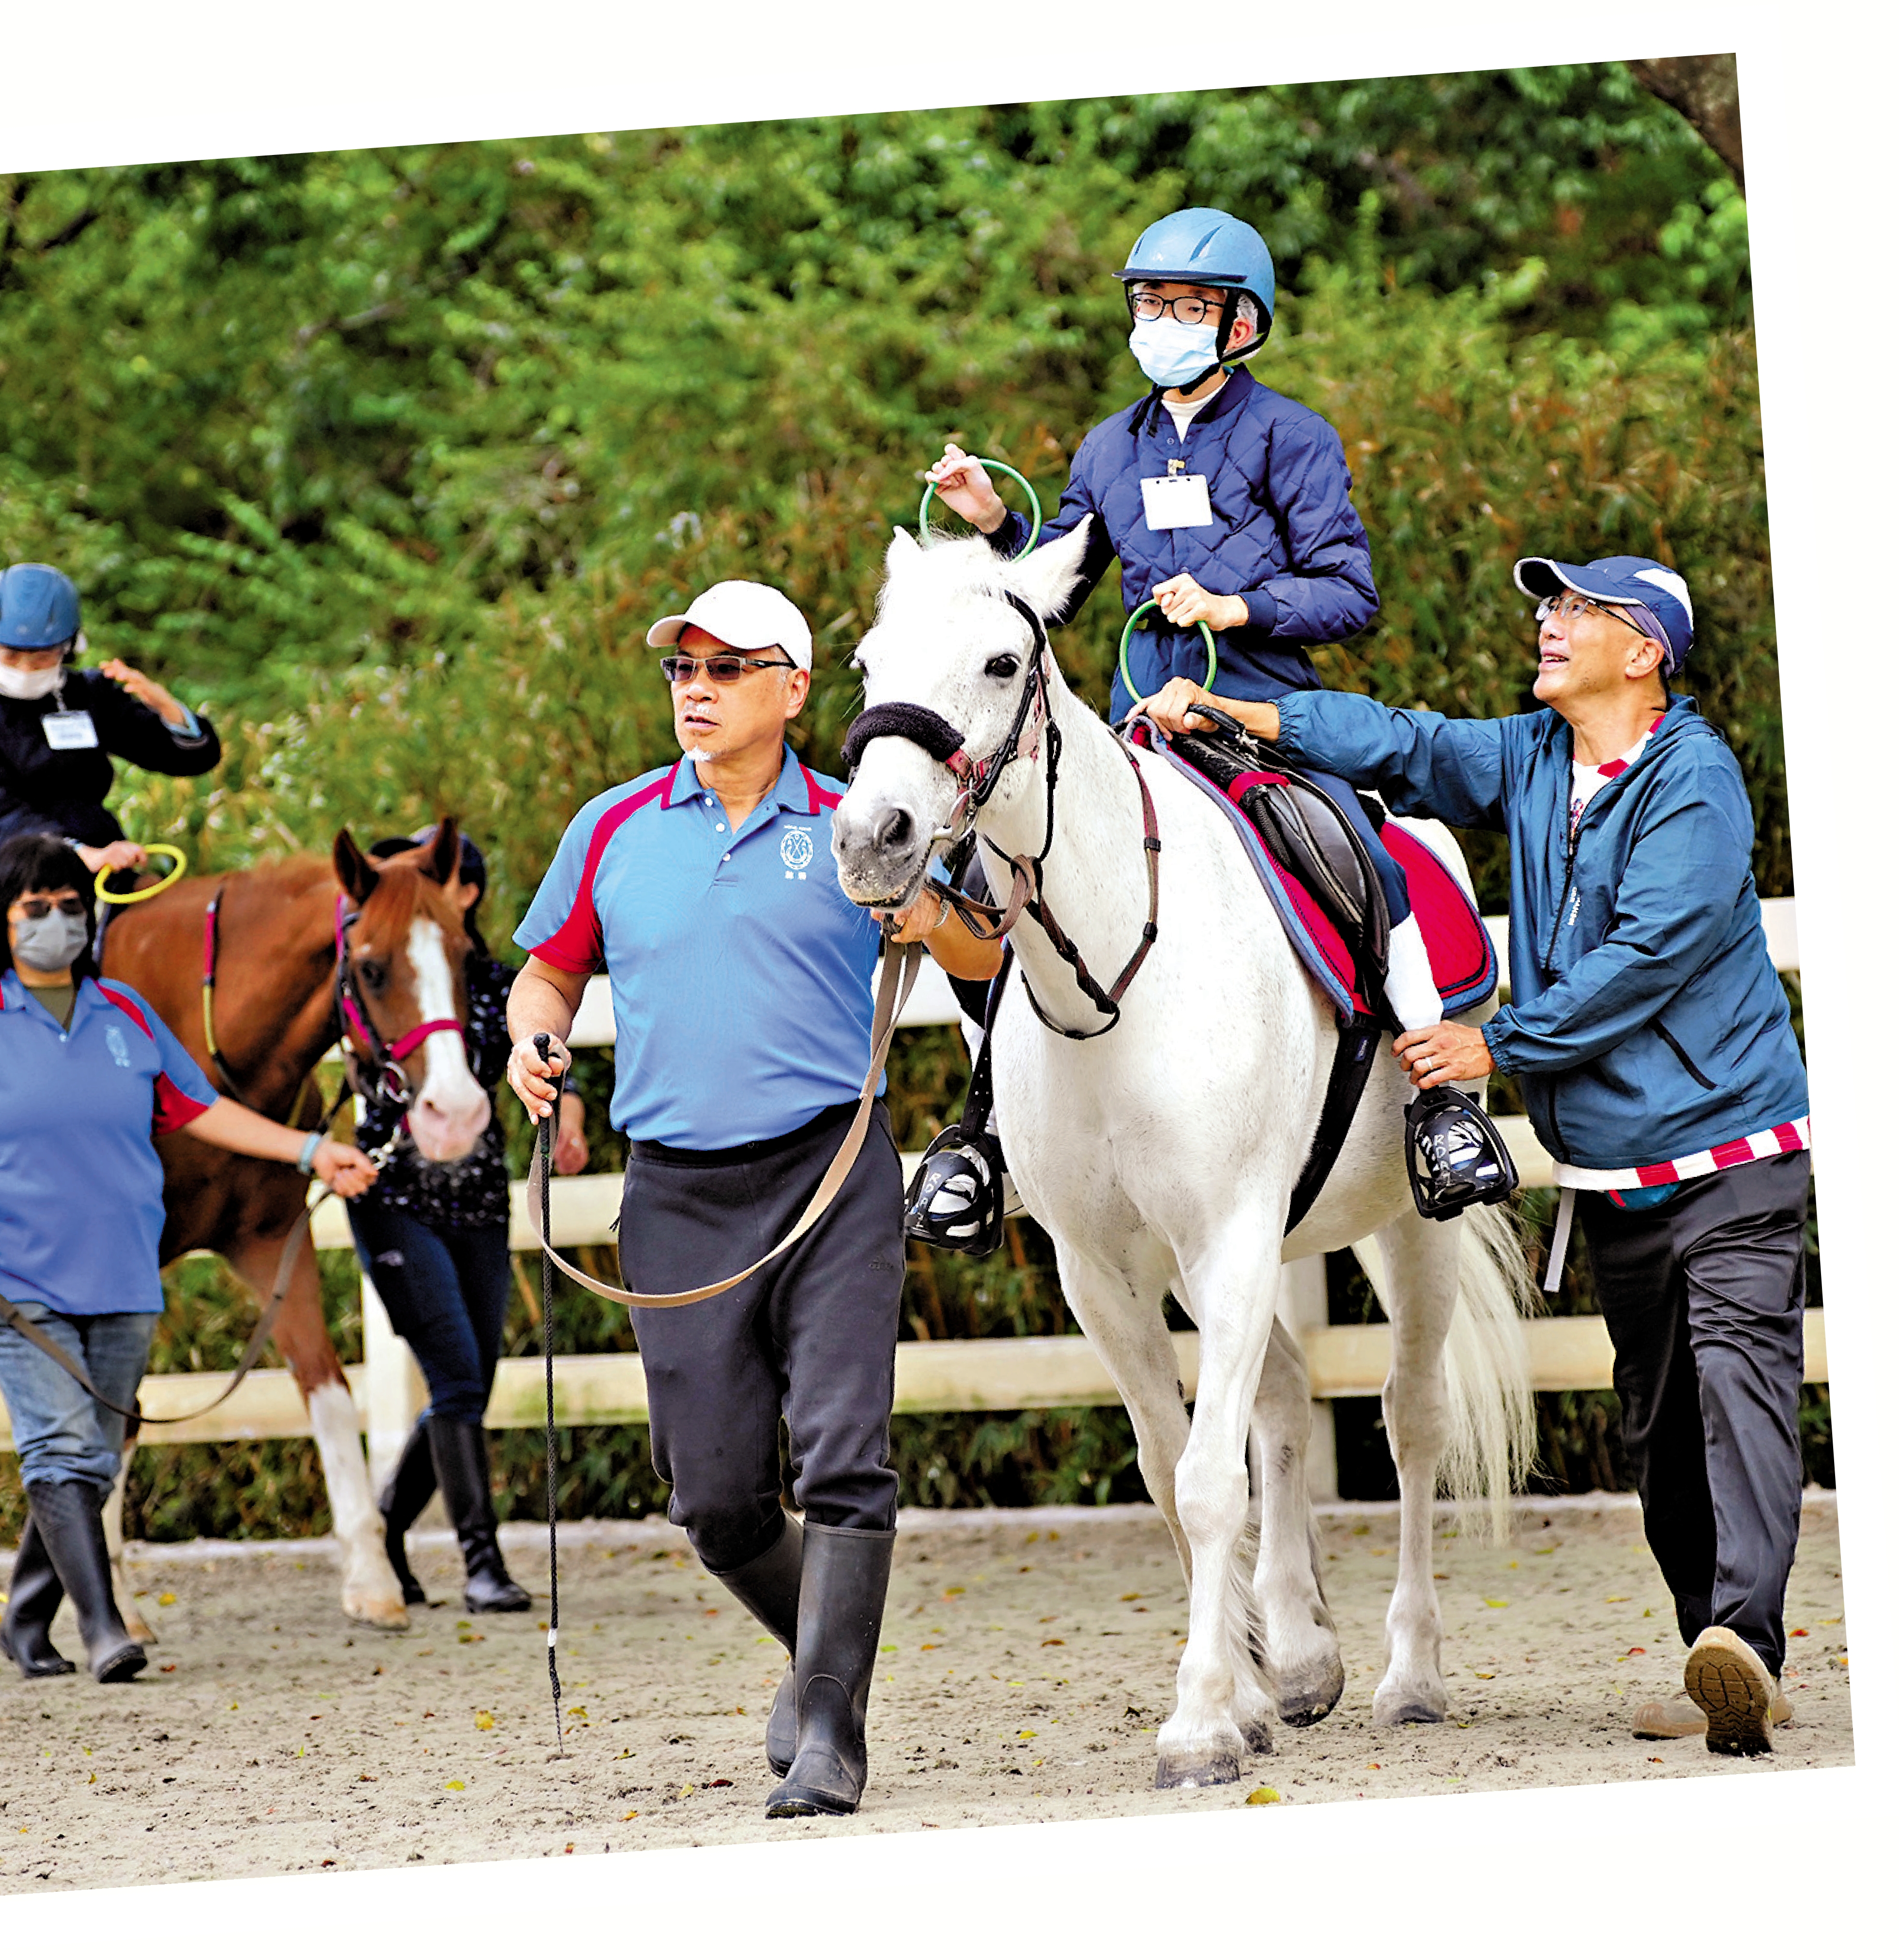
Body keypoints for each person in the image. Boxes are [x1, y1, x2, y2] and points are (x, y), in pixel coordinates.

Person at [1143, 552, 1813, 1758]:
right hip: (1613, 1173)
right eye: (1548, 607)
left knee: (1738, 1392)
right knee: (1659, 1426)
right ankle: (1713, 1655)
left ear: (1644, 652)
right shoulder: (1535, 758)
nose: (1548, 625)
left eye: (1575, 612)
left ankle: (1747, 1643)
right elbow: (1404, 741)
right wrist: (1245, 713)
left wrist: (1495, 1039)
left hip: (1732, 1155)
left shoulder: (1695, 780)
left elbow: (1653, 949)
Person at [505, 579, 1000, 1818]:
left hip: (829, 1176)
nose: (696, 687)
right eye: (684, 668)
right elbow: (546, 974)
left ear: (792, 690)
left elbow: (986, 954)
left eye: (729, 669)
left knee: (844, 1457)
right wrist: (534, 1042)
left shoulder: (856, 819)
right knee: (713, 1496)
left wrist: (920, 905)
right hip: (673, 1191)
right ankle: (820, 1656)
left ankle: (831, 1726)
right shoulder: (612, 827)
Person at [914, 205, 1508, 1230]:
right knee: (993, 877)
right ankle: (985, 1126)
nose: (1164, 322)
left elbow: (1349, 591)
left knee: (1360, 852)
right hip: (1137, 724)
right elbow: (1059, 580)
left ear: (1240, 324)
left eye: (1189, 306)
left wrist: (1239, 607)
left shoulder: (1292, 436)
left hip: (1261, 717)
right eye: (1151, 304)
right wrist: (994, 524)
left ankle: (1438, 1103)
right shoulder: (1107, 448)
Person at [0, 832, 379, 1683]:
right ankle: (104, 1623)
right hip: (16, 1272)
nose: (55, 924)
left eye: (71, 908)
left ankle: (25, 1615)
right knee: (60, 1451)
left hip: (121, 1272)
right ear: (2, 922)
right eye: (34, 909)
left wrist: (308, 1151)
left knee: (97, 1456)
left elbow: (200, 1110)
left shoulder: (124, 1014)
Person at [349, 828, 588, 1616]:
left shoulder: (491, 982)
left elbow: (538, 1048)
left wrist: (571, 1103)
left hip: (478, 1198)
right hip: (395, 1196)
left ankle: (381, 1529)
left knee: (471, 1381)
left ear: (466, 894)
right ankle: (481, 1562)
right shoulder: (378, 970)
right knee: (454, 1371)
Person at [0, 563, 221, 976]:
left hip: (107, 857)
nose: (26, 668)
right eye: (12, 655)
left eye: (42, 656)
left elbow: (188, 759)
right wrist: (80, 855)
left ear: (70, 647)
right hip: (19, 860)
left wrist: (167, 709)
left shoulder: (92, 695)